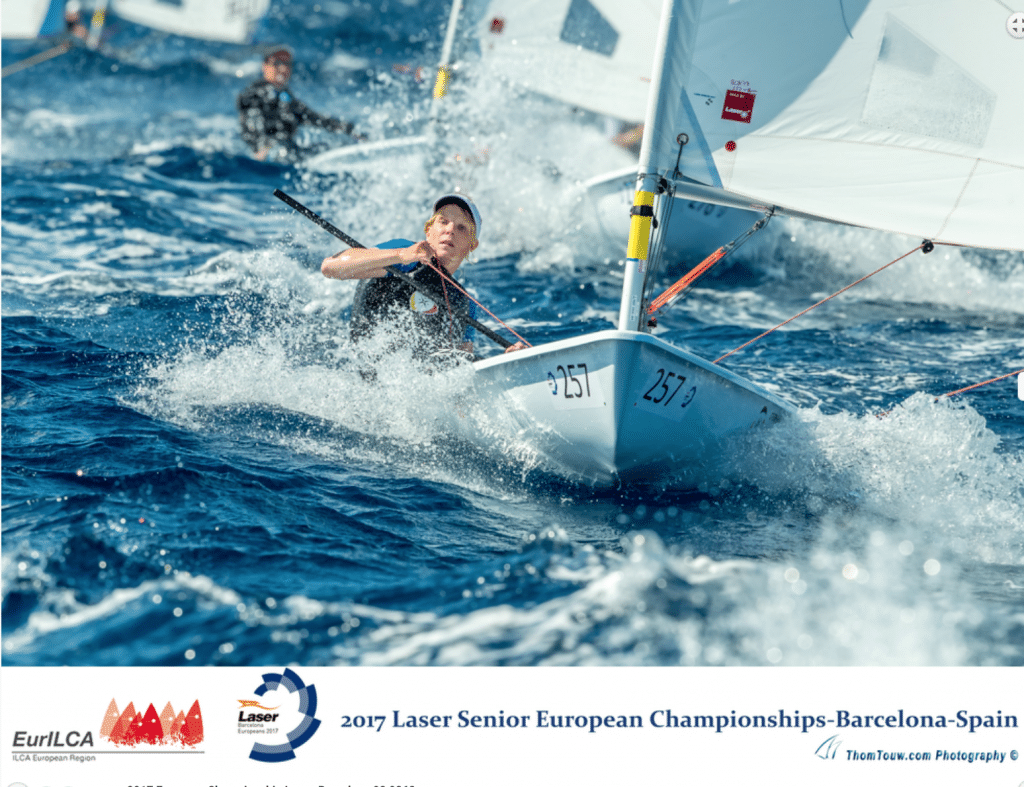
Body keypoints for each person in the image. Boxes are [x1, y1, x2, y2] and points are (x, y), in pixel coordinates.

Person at [323, 194, 525, 364]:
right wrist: (400, 255)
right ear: (428, 231)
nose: (450, 230)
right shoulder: (404, 257)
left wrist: (505, 362)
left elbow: (462, 369)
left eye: (462, 228)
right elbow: (330, 267)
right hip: (368, 377)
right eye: (443, 221)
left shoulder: (464, 303)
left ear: (472, 245)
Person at [237, 45, 363, 161]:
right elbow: (250, 121)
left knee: (329, 147)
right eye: (277, 63)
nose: (282, 68)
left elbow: (316, 118)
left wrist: (351, 130)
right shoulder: (252, 94)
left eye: (286, 64)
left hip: (290, 151)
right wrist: (261, 147)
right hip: (271, 155)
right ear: (264, 66)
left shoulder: (287, 99)